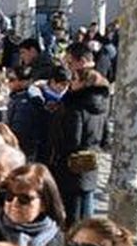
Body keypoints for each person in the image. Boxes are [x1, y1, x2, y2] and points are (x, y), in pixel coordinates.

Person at [45, 64, 110, 223]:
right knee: (86, 200)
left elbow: (72, 139)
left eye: (73, 80)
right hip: (90, 161)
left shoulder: (76, 107)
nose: (70, 84)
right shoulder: (101, 106)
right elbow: (105, 138)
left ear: (83, 83)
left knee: (71, 209)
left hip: (69, 165)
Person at [0, 163, 66, 246]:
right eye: (9, 195)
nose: (14, 203)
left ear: (44, 203)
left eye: (24, 199)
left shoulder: (59, 240)